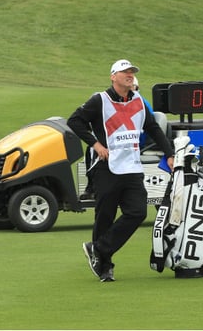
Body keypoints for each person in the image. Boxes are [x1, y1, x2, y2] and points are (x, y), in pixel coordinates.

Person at [68, 59, 175, 282]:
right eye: (124, 72)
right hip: (107, 167)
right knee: (105, 216)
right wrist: (96, 145)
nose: (129, 74)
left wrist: (170, 154)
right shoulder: (100, 100)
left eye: (132, 72)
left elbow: (153, 129)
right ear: (113, 76)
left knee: (138, 212)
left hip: (132, 168)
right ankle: (104, 266)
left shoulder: (138, 101)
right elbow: (75, 121)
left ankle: (98, 249)